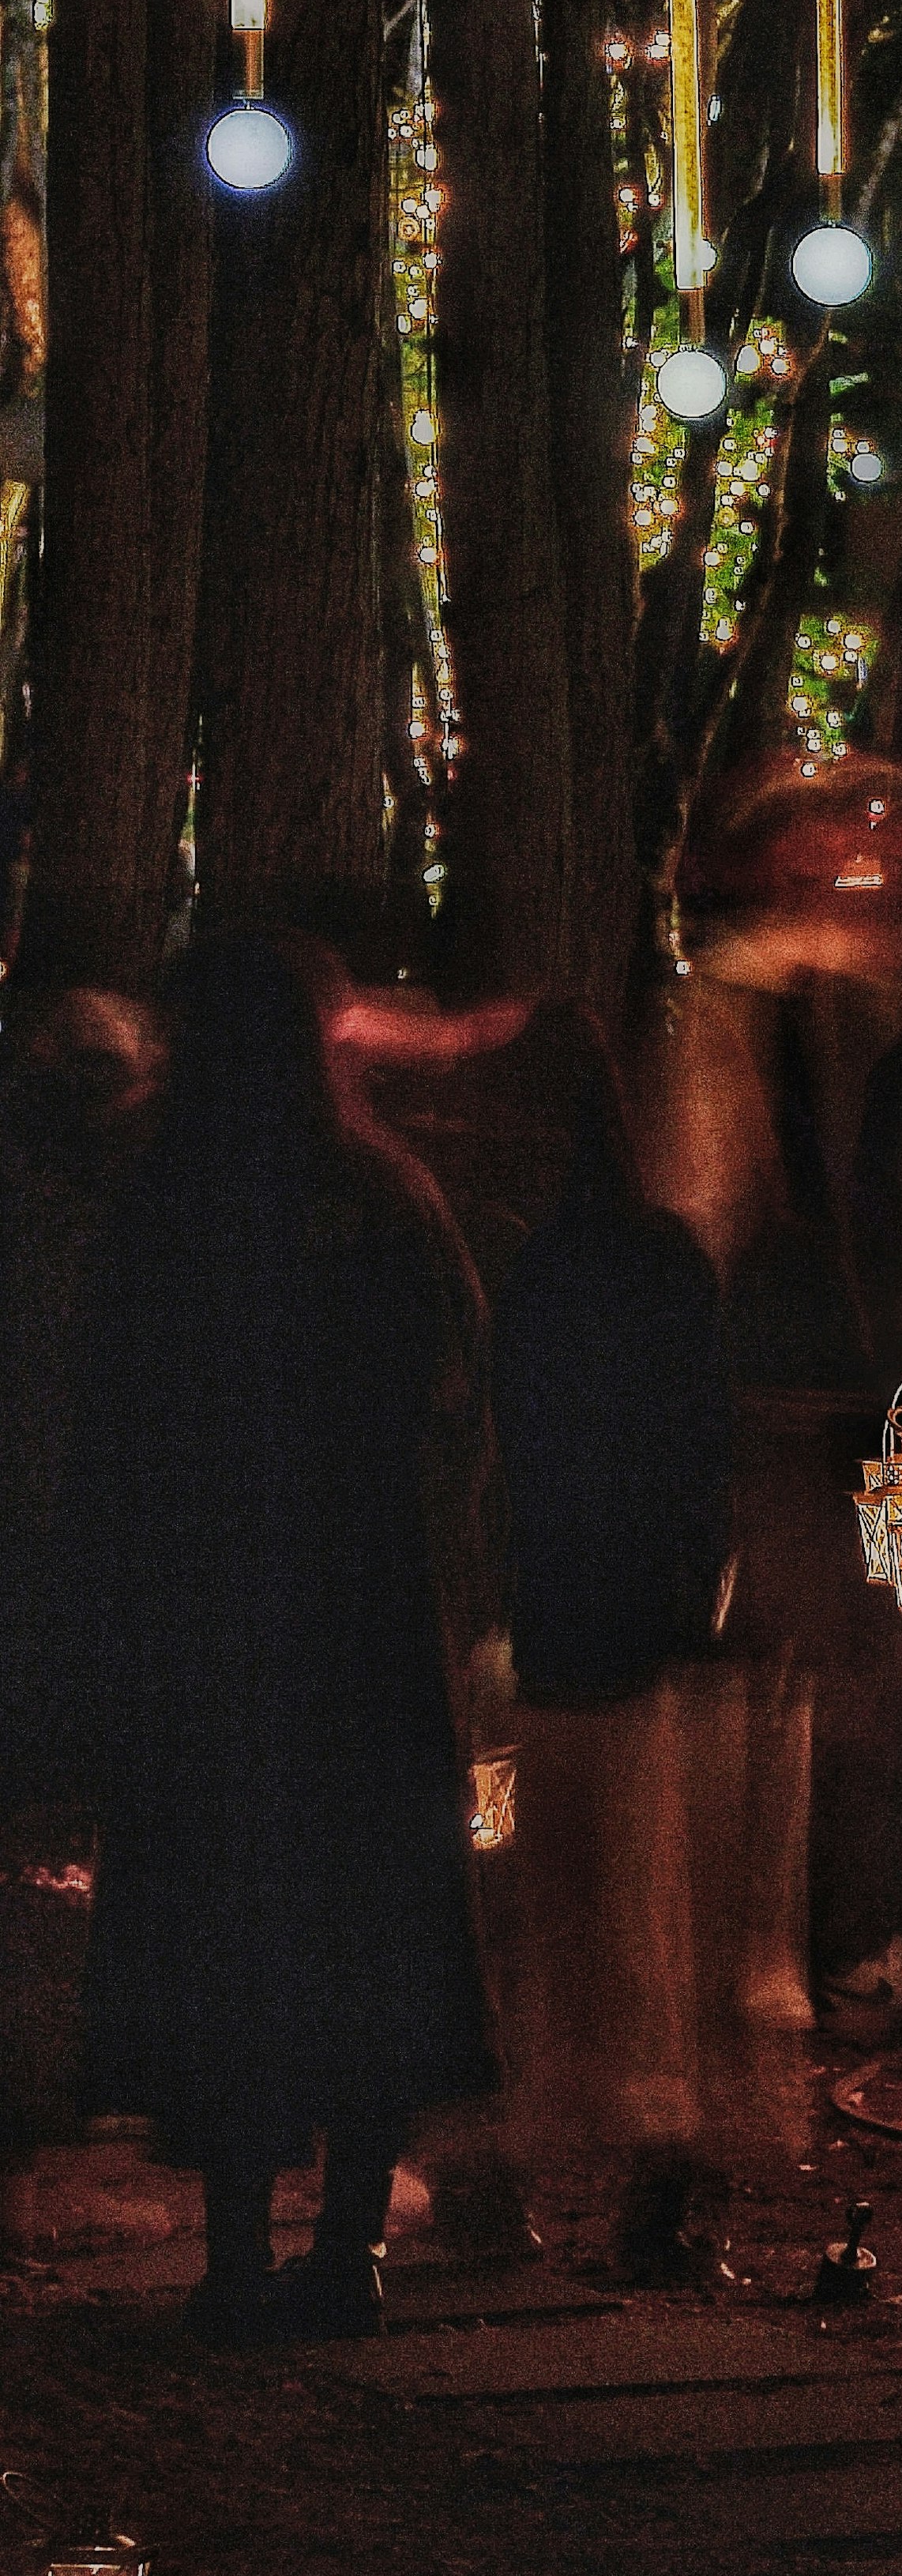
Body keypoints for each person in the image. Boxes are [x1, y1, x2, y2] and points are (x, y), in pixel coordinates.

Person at [57, 932, 498, 2341]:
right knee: (362, 1917)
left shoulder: (161, 1209)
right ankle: (351, 2243)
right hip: (359, 1609)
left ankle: (239, 2252)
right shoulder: (385, 1201)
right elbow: (457, 1400)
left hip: (212, 1617)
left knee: (223, 1916)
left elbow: (101, 1427)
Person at [490, 1018, 741, 2274]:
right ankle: (645, 2173)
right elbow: (703, 1438)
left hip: (573, 1612)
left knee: (587, 1904)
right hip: (633, 1612)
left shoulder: (537, 1265)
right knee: (643, 1910)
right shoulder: (652, 1259)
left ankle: (549, 2168)